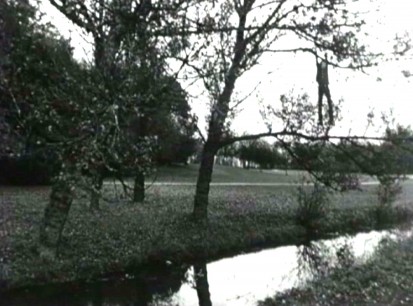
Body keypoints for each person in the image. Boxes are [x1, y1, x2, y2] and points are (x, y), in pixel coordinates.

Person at [316, 54, 334, 126]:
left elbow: (325, 63)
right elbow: (317, 63)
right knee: (320, 103)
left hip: (325, 86)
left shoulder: (324, 66)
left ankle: (331, 119)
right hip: (321, 86)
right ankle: (320, 119)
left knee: (328, 101)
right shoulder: (320, 67)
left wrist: (325, 57)